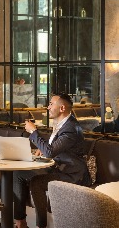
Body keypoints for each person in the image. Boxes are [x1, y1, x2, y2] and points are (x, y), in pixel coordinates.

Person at [14, 93, 91, 228]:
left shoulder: (71, 128)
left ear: (61, 108)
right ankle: (21, 222)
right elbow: (52, 148)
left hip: (73, 174)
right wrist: (42, 149)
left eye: (51, 104)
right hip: (59, 167)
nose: (48, 107)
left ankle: (41, 225)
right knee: (18, 173)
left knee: (37, 182)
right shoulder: (62, 123)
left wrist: (34, 132)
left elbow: (50, 152)